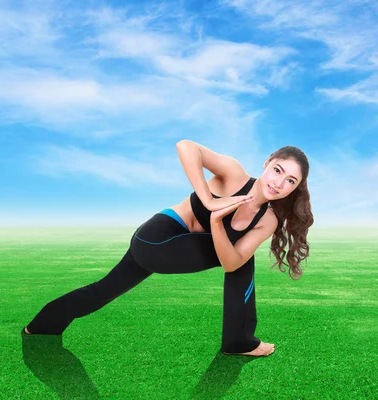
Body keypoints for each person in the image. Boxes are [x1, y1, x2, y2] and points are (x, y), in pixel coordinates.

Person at [22, 140, 313, 357]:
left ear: (294, 188)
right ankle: (239, 341)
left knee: (103, 290)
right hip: (155, 240)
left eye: (290, 181)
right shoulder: (233, 174)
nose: (279, 182)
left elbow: (230, 263)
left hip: (174, 252)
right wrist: (210, 201)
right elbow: (186, 146)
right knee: (242, 260)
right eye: (277, 170)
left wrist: (215, 222)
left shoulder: (268, 220)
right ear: (267, 163)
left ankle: (41, 326)